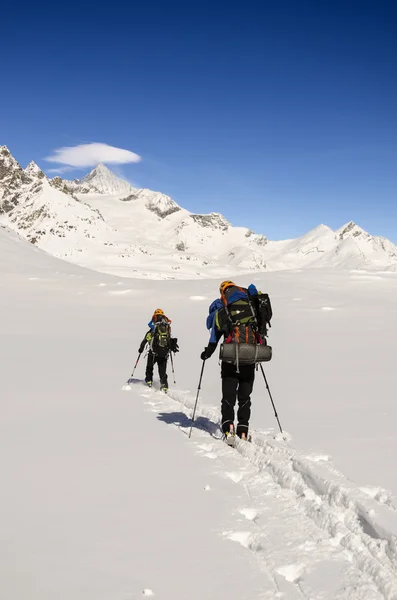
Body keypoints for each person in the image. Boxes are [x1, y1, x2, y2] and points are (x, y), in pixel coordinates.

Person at [200, 281, 272, 443]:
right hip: (250, 356)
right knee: (245, 396)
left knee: (228, 396)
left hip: (230, 359)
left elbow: (213, 339)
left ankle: (228, 427)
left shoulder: (222, 311)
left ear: (223, 293)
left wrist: (206, 354)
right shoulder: (252, 307)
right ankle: (243, 429)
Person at [138, 309, 179, 392]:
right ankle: (164, 386)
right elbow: (169, 339)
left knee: (149, 367)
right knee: (162, 371)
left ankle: (149, 380)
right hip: (164, 353)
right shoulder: (167, 327)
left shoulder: (153, 328)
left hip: (153, 352)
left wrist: (141, 349)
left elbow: (145, 340)